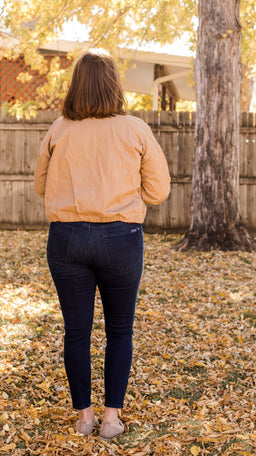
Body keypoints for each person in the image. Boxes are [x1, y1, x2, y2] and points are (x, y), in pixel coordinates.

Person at [34, 49, 170, 439]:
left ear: (77, 84)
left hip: (67, 240)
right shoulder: (134, 129)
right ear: (114, 83)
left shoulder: (59, 129)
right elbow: (158, 191)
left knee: (76, 331)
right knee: (119, 330)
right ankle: (111, 419)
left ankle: (84, 417)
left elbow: (41, 186)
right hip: (120, 238)